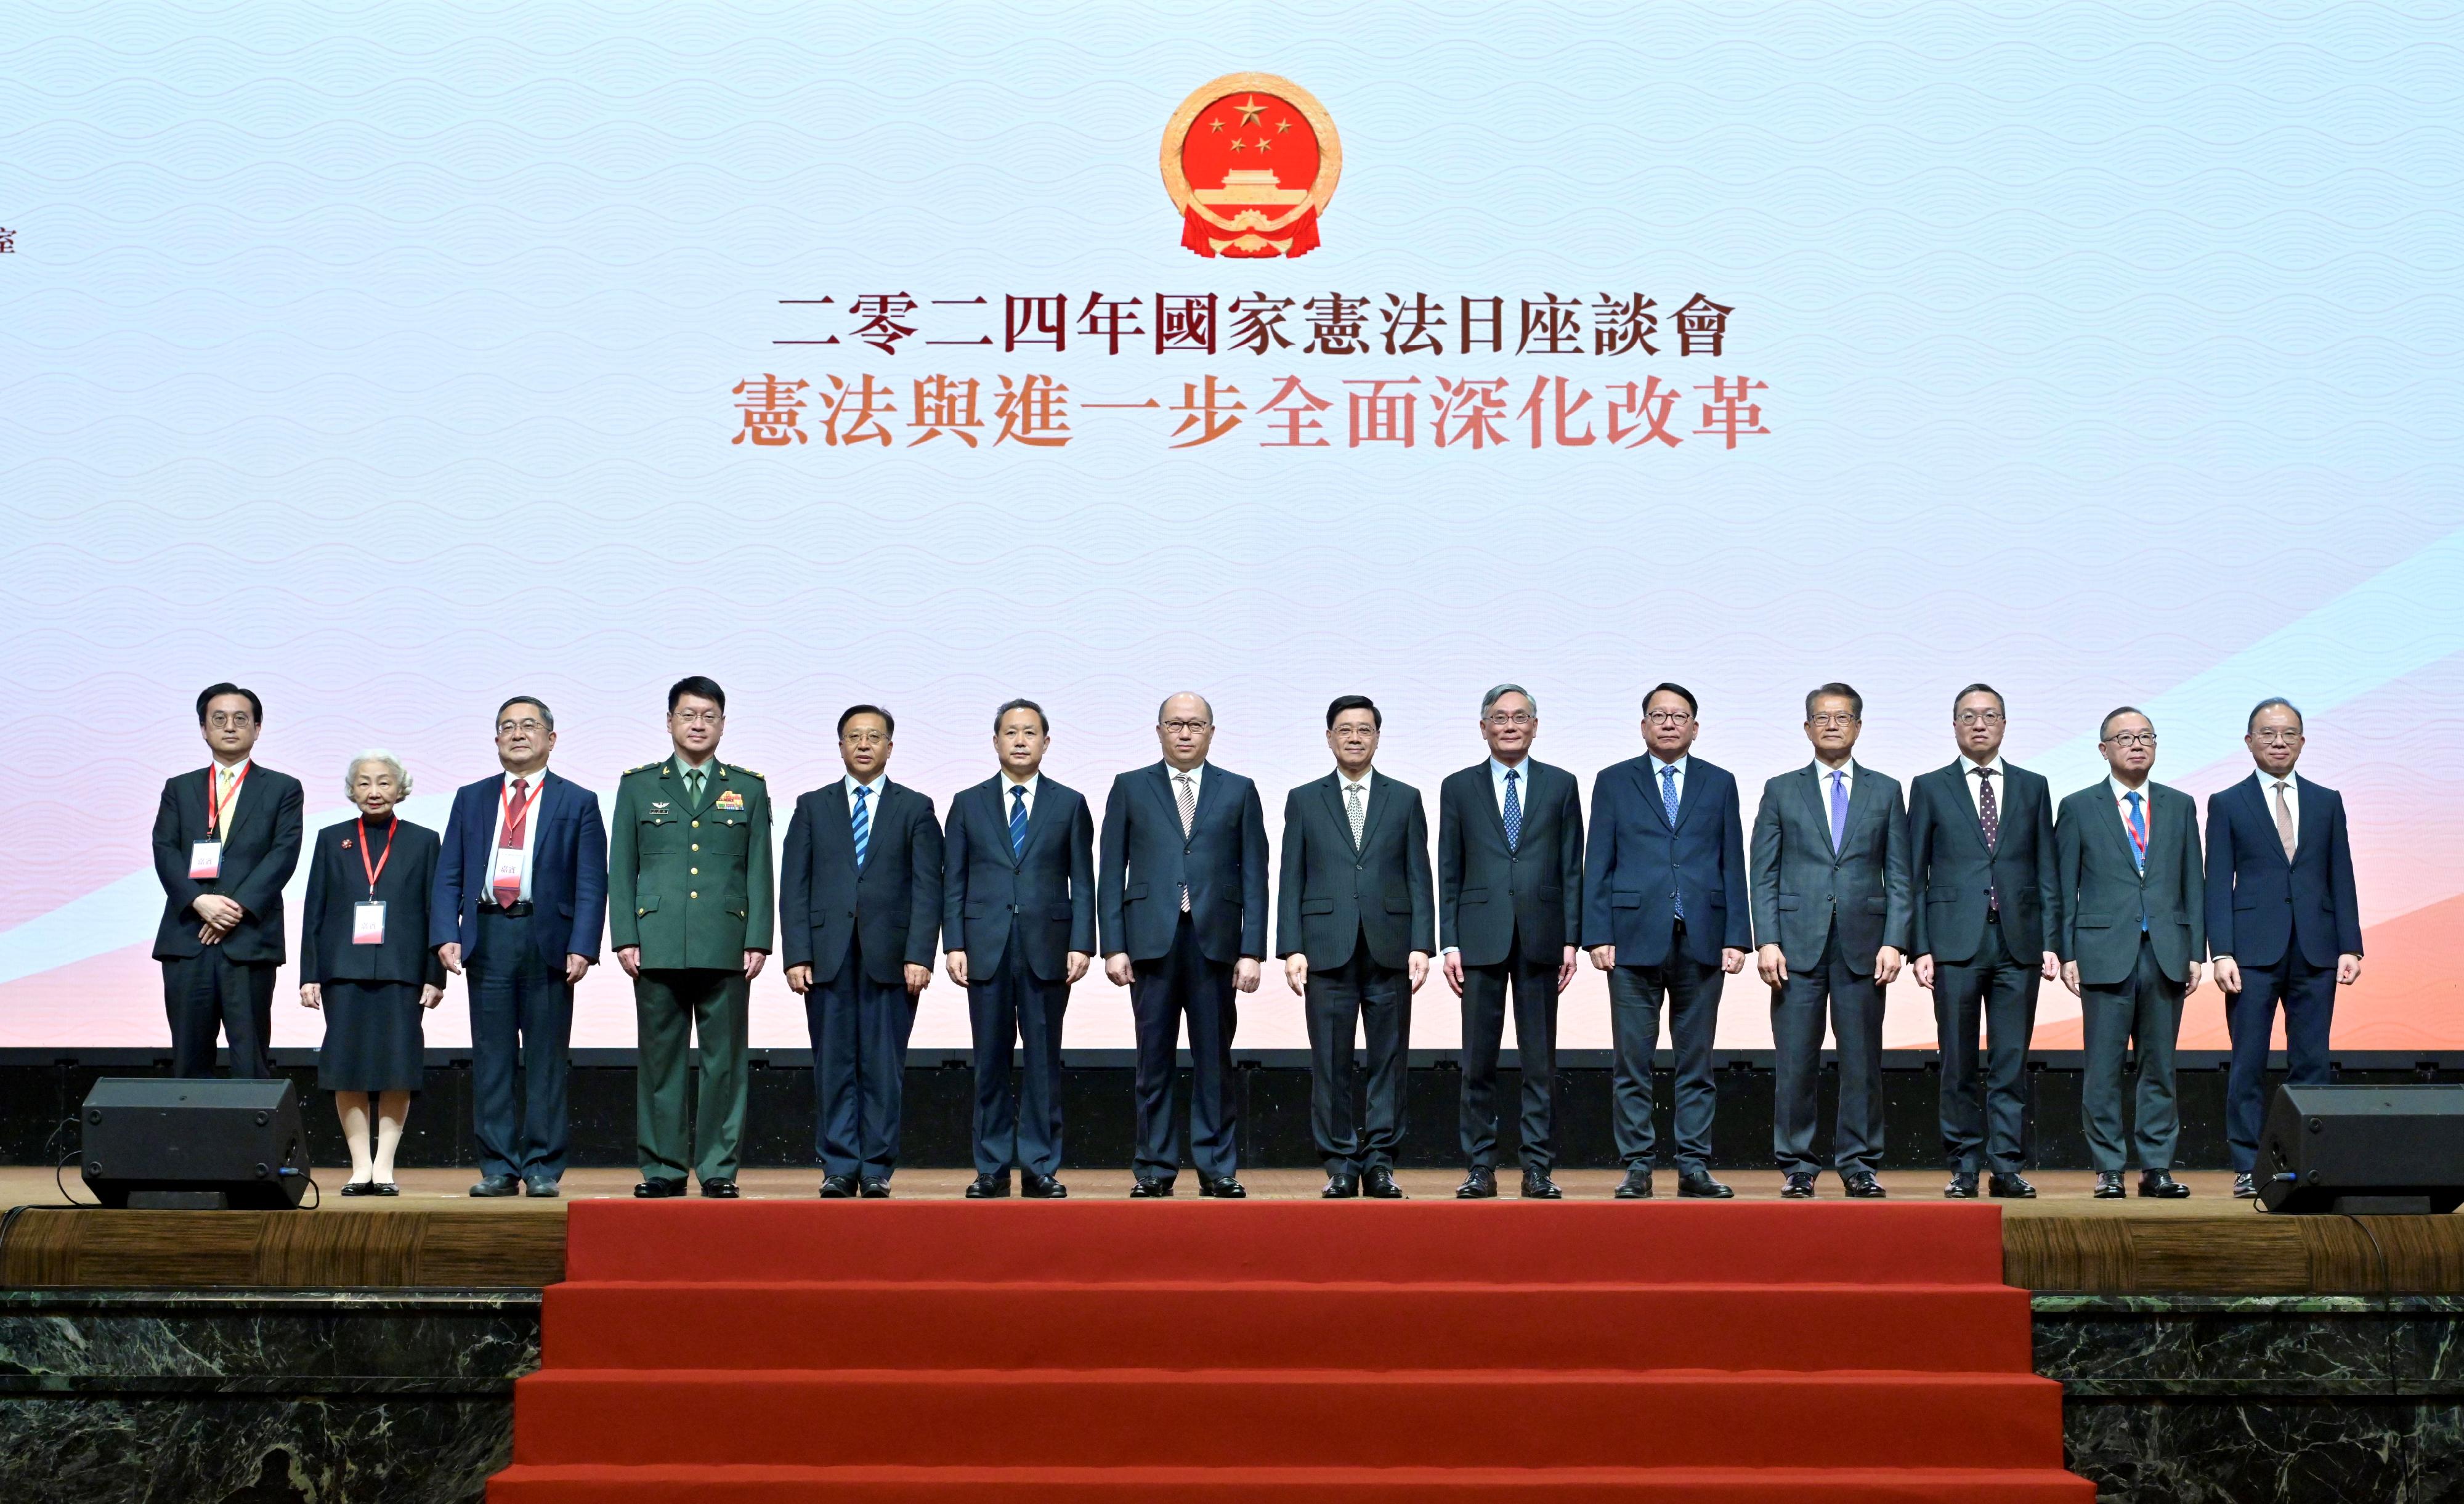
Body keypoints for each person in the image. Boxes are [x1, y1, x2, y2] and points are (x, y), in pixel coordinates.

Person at [432, 696, 607, 1198]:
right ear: (496, 741)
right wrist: (448, 932)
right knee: (492, 1056)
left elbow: (592, 881)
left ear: (551, 739)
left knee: (547, 1058)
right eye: (507, 726)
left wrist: (584, 945)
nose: (517, 734)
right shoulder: (472, 797)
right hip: (487, 934)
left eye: (529, 726)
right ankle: (499, 1165)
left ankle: (543, 1166)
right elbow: (448, 873)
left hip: (546, 936)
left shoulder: (577, 800)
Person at [609, 677, 774, 1199]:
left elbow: (759, 869)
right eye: (688, 715)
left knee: (725, 1063)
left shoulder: (747, 787)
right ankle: (663, 1167)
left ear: (722, 724)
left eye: (708, 716)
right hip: (655, 940)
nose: (698, 724)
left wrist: (759, 938)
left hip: (726, 941)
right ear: (670, 722)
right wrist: (625, 935)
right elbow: (622, 867)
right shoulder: (638, 785)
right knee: (661, 1062)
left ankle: (719, 1167)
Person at [1098, 693, 1269, 1199]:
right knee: (1153, 1060)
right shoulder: (1129, 787)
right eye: (1176, 724)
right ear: (1159, 731)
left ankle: (1218, 1166)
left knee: (1215, 1060)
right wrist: (1113, 944)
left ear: (1212, 732)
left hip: (1216, 942)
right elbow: (1111, 871)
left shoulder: (1239, 790)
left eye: (1196, 724)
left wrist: (1252, 949)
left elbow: (1255, 875)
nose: (1186, 732)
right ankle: (1153, 1167)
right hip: (1149, 942)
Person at [1583, 683, 1749, 1200]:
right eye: (1659, 714)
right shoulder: (1613, 781)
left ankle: (1694, 1165)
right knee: (1632, 1060)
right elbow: (1599, 861)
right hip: (1631, 939)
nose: (1670, 723)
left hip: (1701, 937)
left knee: (1696, 1061)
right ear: (1643, 725)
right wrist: (1596, 933)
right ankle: (1637, 1165)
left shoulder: (1720, 783)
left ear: (1696, 727)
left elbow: (1731, 860)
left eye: (1680, 716)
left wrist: (1738, 935)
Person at [1750, 682, 1912, 1198]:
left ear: (1859, 726)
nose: (1832, 724)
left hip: (1866, 944)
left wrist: (1896, 940)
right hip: (1795, 946)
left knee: (1862, 1059)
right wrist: (1767, 940)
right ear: (1807, 728)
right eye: (1822, 717)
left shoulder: (1885, 790)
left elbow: (1901, 874)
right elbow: (1764, 872)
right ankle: (1798, 1163)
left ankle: (1860, 1163)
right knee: (1796, 1058)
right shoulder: (1781, 788)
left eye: (1843, 717)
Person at [780, 704, 943, 1198]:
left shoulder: (915, 807)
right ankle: (838, 1165)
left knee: (882, 1065)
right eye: (855, 736)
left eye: (875, 736)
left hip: (892, 956)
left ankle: (876, 1167)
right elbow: (794, 885)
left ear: (890, 746)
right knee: (833, 1064)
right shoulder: (813, 805)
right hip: (827, 954)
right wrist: (796, 955)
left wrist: (920, 953)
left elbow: (927, 887)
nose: (865, 744)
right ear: (841, 746)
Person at [1906, 685, 2060, 1200]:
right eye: (1968, 716)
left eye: (1989, 715)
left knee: (2012, 1060)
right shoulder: (1929, 786)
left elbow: (2048, 870)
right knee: (1958, 1061)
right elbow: (1913, 875)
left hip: (2019, 942)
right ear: (1954, 725)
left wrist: (2052, 941)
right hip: (1953, 942)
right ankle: (1964, 1165)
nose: (1979, 723)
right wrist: (1920, 946)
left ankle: (2007, 1165)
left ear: (2004, 724)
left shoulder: (2033, 786)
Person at [1278, 695, 1433, 1199]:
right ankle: (1341, 1162)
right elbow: (1291, 877)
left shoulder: (1405, 797)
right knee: (1330, 1061)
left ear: (1377, 737)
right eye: (1344, 729)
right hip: (1325, 947)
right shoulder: (1304, 798)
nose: (1354, 737)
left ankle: (1382, 1161)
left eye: (1364, 729)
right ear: (1329, 737)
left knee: (1390, 1058)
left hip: (1390, 947)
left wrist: (1422, 943)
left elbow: (1419, 874)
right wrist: (1291, 946)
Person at [2207, 697, 2362, 1198]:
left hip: (2316, 950)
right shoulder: (2227, 802)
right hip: (2251, 953)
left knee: (2312, 1061)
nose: (2279, 741)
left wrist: (2351, 946)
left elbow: (2342, 876)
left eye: (2288, 733)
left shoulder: (2326, 799)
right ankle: (2248, 1165)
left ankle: (2310, 1162)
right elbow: (2217, 884)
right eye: (2268, 733)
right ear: (2249, 741)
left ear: (2302, 740)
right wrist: (2221, 951)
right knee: (2248, 1061)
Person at [944, 699, 1095, 1199]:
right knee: (989, 1059)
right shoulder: (967, 803)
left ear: (1046, 743)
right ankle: (990, 1167)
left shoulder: (1069, 803)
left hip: (1048, 948)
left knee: (1044, 1062)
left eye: (1031, 732)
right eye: (1011, 732)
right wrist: (955, 943)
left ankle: (1039, 1166)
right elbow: (955, 881)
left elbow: (1084, 881)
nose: (1021, 740)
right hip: (984, 947)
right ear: (995, 742)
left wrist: (1082, 943)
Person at [1438, 684, 1582, 1200]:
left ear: (1536, 726)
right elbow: (1449, 870)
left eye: (1521, 716)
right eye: (1500, 717)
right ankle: (1480, 1165)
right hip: (1478, 937)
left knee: (1539, 1060)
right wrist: (1448, 942)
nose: (1510, 725)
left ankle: (1538, 1167)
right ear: (1483, 727)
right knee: (1477, 1059)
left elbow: (1571, 866)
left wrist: (1572, 939)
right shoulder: (1457, 787)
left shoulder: (1562, 784)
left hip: (1543, 936)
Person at [2055, 707, 2205, 1198]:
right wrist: (2066, 950)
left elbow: (2193, 883)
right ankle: (2109, 1167)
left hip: (2165, 950)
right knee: (2103, 1067)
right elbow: (2063, 885)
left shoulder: (2180, 805)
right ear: (2104, 749)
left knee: (2159, 1065)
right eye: (2125, 737)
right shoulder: (2079, 806)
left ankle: (2157, 1166)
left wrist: (2196, 949)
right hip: (2101, 951)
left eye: (2146, 736)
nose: (2137, 744)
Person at [301, 752, 444, 1195]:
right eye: (364, 783)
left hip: (403, 970)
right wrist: (309, 974)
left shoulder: (424, 840)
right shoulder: (331, 839)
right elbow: (314, 912)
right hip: (342, 969)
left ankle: (385, 1166)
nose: (374, 791)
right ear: (351, 790)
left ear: (401, 788)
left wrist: (435, 973)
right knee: (347, 1068)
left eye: (384, 782)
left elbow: (434, 911)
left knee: (397, 1068)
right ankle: (360, 1165)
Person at [152, 683, 304, 1078]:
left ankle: (253, 1144)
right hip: (188, 939)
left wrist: (233, 909)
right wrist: (199, 902)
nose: (230, 727)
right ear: (203, 729)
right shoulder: (180, 788)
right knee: (188, 1060)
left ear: (257, 728)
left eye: (241, 719)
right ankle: (187, 1141)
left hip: (248, 940)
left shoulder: (283, 788)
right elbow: (165, 850)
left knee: (250, 1061)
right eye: (219, 719)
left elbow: (283, 854)